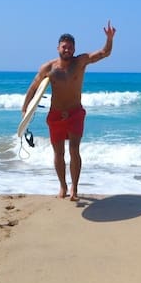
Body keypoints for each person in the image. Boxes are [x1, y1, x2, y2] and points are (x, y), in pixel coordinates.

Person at [22, 21, 115, 201]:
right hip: (56, 115)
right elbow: (34, 87)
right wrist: (25, 107)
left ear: (74, 49)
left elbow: (105, 53)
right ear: (58, 48)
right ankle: (63, 186)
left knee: (74, 150)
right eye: (64, 47)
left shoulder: (80, 62)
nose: (68, 50)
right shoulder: (48, 68)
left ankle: (74, 188)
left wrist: (109, 39)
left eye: (71, 48)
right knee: (58, 153)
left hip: (75, 114)